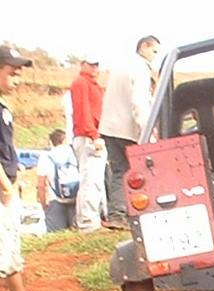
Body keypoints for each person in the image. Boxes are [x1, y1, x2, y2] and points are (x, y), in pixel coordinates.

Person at [99, 35, 161, 230]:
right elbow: (139, 103)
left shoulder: (120, 66)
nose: (154, 56)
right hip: (128, 128)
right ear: (144, 47)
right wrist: (147, 133)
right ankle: (141, 212)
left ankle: (117, 214)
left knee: (119, 171)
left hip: (110, 127)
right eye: (154, 51)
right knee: (142, 170)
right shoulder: (141, 69)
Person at [0, 46, 37, 291]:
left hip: (8, 185)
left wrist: (14, 171)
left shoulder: (3, 107)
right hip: (2, 189)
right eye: (12, 73)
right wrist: (5, 184)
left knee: (10, 248)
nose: (17, 79)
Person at [70, 56, 106, 232]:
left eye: (96, 64)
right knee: (90, 180)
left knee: (95, 180)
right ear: (82, 64)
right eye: (91, 64)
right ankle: (88, 223)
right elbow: (83, 111)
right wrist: (94, 135)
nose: (94, 67)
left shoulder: (93, 85)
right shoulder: (81, 83)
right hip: (88, 136)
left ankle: (92, 219)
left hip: (91, 135)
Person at [36, 129, 78, 232]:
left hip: (55, 199)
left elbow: (41, 185)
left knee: (55, 234)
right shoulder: (74, 152)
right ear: (64, 140)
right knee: (76, 234)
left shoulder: (45, 156)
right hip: (76, 197)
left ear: (51, 142)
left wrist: (44, 205)